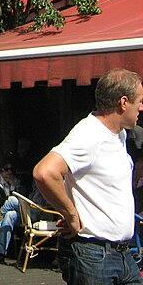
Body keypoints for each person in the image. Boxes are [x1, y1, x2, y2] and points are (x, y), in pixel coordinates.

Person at [34, 68, 143, 285]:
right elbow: (45, 172)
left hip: (120, 254)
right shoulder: (89, 134)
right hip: (94, 256)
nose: (141, 107)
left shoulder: (119, 134)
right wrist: (71, 215)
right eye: (139, 101)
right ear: (123, 103)